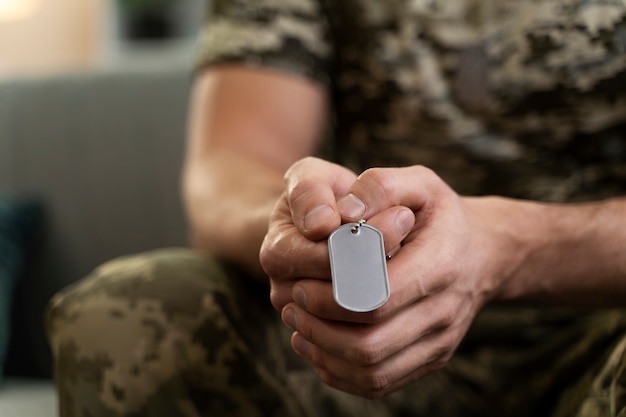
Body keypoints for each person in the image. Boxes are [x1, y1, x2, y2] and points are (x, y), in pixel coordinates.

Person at [46, 0, 626, 416]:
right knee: (126, 310)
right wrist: (294, 228)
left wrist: (506, 246)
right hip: (348, 338)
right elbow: (229, 168)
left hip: (603, 325)